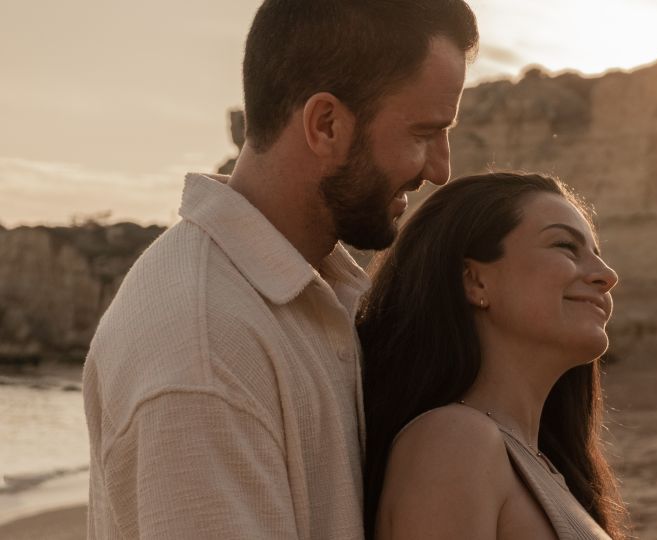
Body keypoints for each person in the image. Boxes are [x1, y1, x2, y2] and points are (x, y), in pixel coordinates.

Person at [82, 1, 477, 538]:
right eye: (423, 133)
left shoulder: (308, 292)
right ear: (326, 124)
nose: (440, 169)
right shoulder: (205, 346)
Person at [358, 172, 630, 539]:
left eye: (597, 254)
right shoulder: (454, 441)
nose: (607, 275)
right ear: (475, 281)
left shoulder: (536, 459)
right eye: (565, 246)